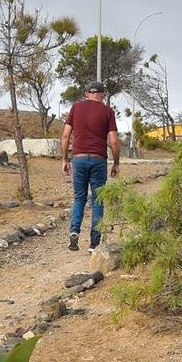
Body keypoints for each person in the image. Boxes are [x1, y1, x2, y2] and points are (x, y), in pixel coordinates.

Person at [61, 81, 120, 250]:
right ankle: (94, 243)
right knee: (97, 200)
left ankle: (74, 231)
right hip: (98, 160)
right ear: (103, 95)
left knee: (79, 197)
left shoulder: (76, 108)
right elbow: (114, 141)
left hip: (78, 159)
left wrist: (65, 159)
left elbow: (65, 137)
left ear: (87, 94)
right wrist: (116, 163)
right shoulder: (108, 111)